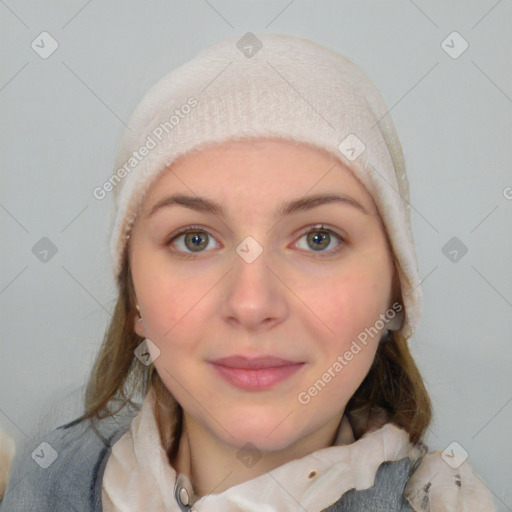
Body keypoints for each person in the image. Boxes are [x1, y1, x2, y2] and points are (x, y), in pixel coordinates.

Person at [0, 33, 496, 512]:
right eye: (195, 240)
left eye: (318, 238)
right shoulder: (37, 478)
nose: (252, 304)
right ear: (135, 300)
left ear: (395, 293)